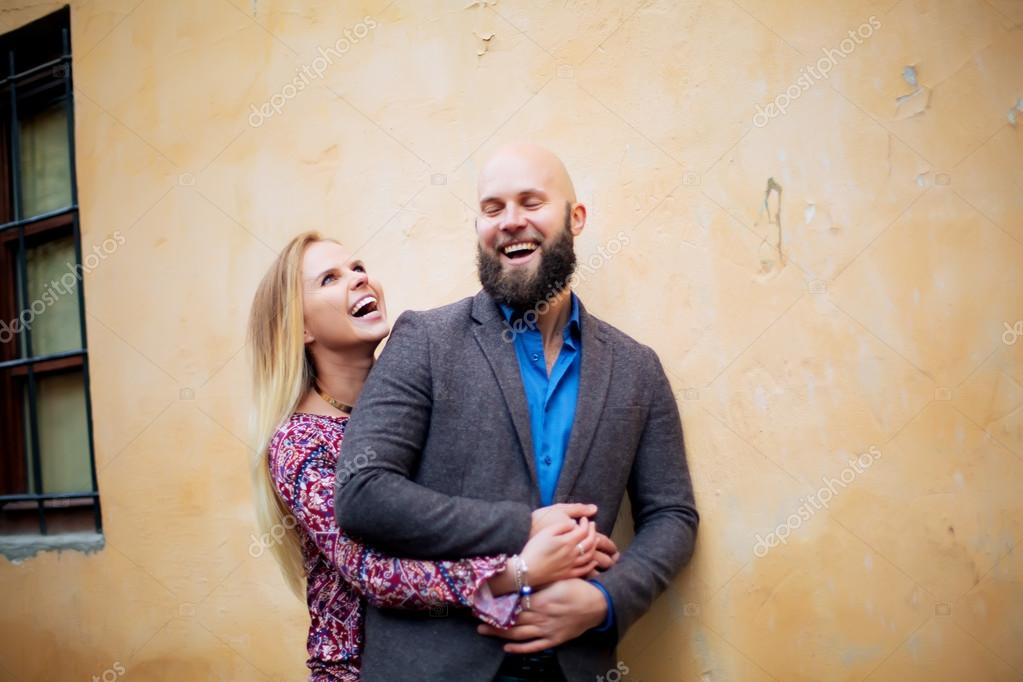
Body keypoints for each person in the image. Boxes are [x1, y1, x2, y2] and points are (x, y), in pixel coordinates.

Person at [334, 143, 699, 681]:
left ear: (575, 219)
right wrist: (521, 528)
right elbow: (363, 491)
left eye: (531, 202)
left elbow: (672, 515)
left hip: (574, 665)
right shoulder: (424, 340)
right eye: (492, 208)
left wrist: (605, 601)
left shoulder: (637, 368)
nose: (510, 222)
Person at [247, 231, 621, 681]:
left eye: (358, 267)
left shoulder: (416, 398)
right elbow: (374, 574)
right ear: (300, 326)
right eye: (329, 279)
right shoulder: (300, 444)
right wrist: (520, 569)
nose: (359, 280)